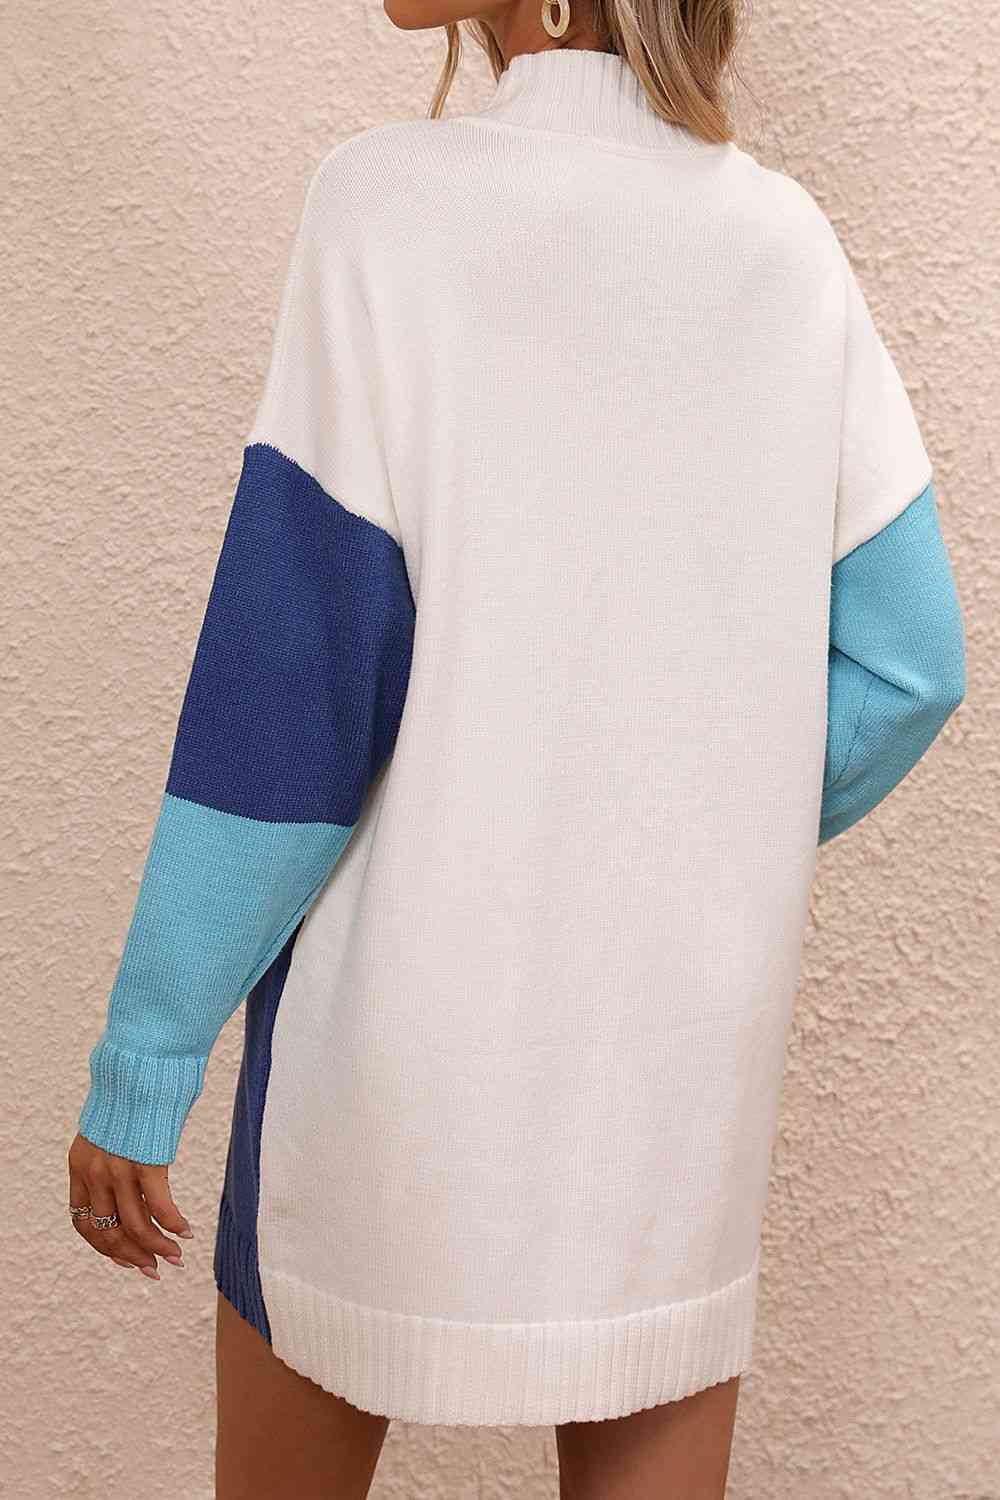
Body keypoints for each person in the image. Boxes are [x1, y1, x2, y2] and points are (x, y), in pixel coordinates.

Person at [66, 0, 966, 1495]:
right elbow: (910, 666)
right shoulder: (784, 246)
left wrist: (149, 1053)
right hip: (672, 1073)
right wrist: (683, 816)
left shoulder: (382, 205)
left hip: (388, 1060)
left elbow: (288, 699)